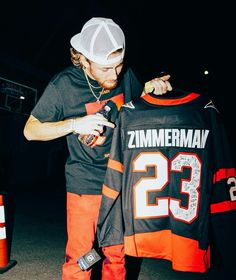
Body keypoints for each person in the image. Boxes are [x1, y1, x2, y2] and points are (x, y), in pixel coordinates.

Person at [23, 17, 172, 280]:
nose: (114, 75)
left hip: (120, 180)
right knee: (82, 257)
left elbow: (137, 103)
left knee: (116, 254)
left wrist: (151, 88)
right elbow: (30, 130)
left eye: (119, 65)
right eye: (106, 68)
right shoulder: (63, 86)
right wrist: (74, 124)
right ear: (83, 59)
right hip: (84, 183)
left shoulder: (124, 75)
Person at [96, 89, 236, 279]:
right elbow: (223, 178)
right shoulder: (205, 111)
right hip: (189, 234)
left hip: (140, 232)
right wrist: (227, 241)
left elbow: (114, 177)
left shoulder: (129, 113)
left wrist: (105, 228)